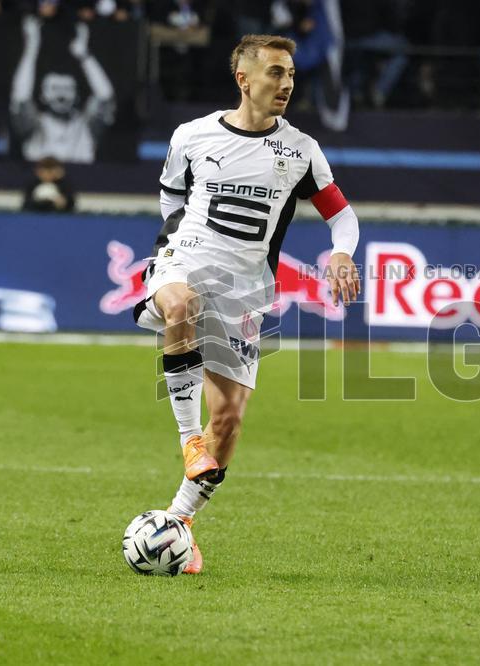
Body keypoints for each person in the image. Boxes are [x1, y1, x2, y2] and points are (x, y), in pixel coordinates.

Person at [132, 33, 361, 575]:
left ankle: (180, 522)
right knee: (179, 304)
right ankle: (190, 441)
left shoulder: (300, 150)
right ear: (244, 79)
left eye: (290, 75)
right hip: (183, 261)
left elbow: (341, 214)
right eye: (275, 73)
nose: (285, 84)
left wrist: (342, 253)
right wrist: (171, 243)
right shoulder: (193, 135)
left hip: (244, 289)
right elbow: (171, 194)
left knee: (230, 419)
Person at [9, 15, 115, 163]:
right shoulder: (35, 125)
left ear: (76, 95)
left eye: (67, 89)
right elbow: (20, 97)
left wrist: (85, 56)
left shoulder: (85, 127)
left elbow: (106, 97)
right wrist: (31, 49)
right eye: (54, 88)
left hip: (82, 182)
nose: (61, 94)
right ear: (43, 95)